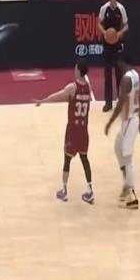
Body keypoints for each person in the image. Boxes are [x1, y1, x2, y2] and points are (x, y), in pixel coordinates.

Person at [34, 60, 94, 204]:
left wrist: (43, 101)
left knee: (67, 159)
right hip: (84, 129)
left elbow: (57, 96)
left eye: (75, 67)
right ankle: (90, 190)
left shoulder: (72, 88)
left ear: (78, 70)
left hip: (73, 129)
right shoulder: (88, 88)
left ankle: (64, 190)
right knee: (84, 158)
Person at [105, 54, 140, 210]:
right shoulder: (136, 75)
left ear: (121, 63)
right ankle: (127, 184)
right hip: (131, 119)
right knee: (117, 147)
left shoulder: (126, 79)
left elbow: (120, 104)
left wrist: (109, 122)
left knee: (127, 157)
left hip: (129, 121)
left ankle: (132, 196)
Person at [98, 0, 129, 112]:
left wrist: (119, 33)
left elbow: (126, 25)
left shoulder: (121, 9)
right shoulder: (104, 8)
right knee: (107, 73)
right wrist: (105, 33)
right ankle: (108, 102)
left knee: (118, 73)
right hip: (106, 44)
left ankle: (120, 101)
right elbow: (99, 23)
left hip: (117, 44)